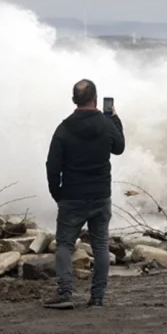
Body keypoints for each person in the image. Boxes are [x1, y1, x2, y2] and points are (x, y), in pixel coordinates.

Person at [43, 78, 125, 309]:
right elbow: (119, 148)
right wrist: (115, 118)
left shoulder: (64, 128)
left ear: (73, 100)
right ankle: (97, 297)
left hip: (71, 195)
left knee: (65, 245)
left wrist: (56, 192)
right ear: (95, 99)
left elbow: (52, 165)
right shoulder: (106, 123)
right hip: (100, 194)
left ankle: (65, 293)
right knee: (100, 246)